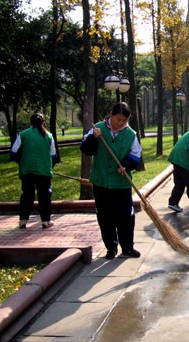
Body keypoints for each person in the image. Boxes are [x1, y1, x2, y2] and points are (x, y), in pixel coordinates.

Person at [80, 102, 142, 260]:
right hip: (101, 182)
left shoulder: (131, 134)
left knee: (125, 217)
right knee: (105, 216)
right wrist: (94, 138)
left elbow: (136, 155)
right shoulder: (97, 129)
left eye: (124, 120)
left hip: (121, 184)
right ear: (111, 115)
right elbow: (86, 149)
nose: (120, 123)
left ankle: (127, 247)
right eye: (118, 118)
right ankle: (111, 248)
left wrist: (126, 165)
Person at [11, 113, 58, 229]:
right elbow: (54, 156)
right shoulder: (49, 136)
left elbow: (13, 153)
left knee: (27, 195)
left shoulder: (22, 134)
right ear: (43, 122)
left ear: (30, 122)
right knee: (44, 196)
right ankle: (46, 221)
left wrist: (22, 162)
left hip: (27, 170)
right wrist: (48, 167)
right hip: (44, 171)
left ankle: (23, 220)